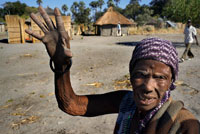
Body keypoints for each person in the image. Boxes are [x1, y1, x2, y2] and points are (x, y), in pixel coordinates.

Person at [25, 6, 200, 134]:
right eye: (140, 75)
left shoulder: (183, 125)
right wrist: (61, 65)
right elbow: (70, 104)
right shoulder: (126, 102)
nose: (148, 86)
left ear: (171, 81)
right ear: (130, 76)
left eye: (160, 77)